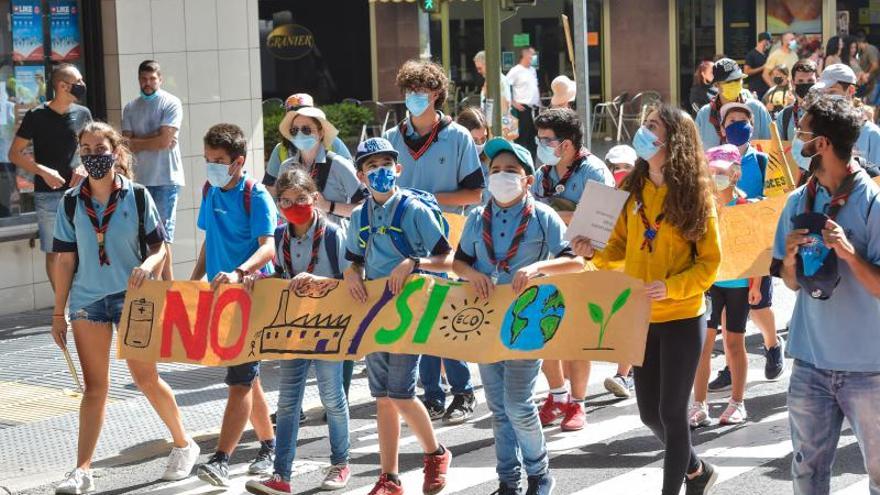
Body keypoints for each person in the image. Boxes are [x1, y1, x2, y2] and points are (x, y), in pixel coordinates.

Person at [572, 104, 721, 494]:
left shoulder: (696, 196)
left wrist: (672, 287)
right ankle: (697, 469)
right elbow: (617, 248)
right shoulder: (631, 188)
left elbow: (709, 264)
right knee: (648, 413)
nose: (643, 131)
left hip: (683, 316)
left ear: (673, 139)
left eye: (652, 126)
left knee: (672, 412)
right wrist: (591, 252)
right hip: (641, 315)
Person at [51, 122, 199, 494]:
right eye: (85, 149)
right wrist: (57, 314)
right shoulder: (70, 201)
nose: (92, 155)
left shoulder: (137, 196)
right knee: (95, 388)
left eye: (99, 148)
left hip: (133, 299)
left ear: (116, 152)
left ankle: (184, 443)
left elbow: (159, 247)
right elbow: (64, 260)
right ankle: (81, 469)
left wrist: (148, 267)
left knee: (145, 378)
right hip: (87, 302)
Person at [454, 137, 583, 494]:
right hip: (486, 320)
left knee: (518, 403)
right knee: (498, 408)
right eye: (495, 170)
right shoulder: (477, 217)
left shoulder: (543, 216)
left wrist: (540, 268)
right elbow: (458, 261)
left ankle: (540, 474)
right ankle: (508, 480)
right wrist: (472, 274)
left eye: (511, 171)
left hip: (529, 319)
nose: (501, 176)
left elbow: (575, 260)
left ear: (527, 180)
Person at [770, 94, 880, 495]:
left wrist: (849, 254)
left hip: (870, 368)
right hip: (810, 363)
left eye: (803, 131)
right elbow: (791, 283)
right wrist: (789, 262)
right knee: (808, 473)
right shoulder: (799, 201)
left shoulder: (873, 202)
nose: (796, 139)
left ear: (823, 144)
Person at [344, 137, 453, 495]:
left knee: (402, 393)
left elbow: (449, 259)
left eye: (386, 165)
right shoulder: (359, 215)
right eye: (372, 167)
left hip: (411, 311)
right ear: (361, 176)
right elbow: (353, 259)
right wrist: (350, 275)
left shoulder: (414, 210)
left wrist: (415, 263)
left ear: (398, 169)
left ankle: (435, 454)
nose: (380, 172)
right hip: (376, 313)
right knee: (383, 398)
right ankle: (388, 477)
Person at [385, 59, 482, 423]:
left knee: (443, 311)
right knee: (417, 313)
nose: (414, 98)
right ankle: (432, 394)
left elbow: (475, 193)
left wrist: (427, 199)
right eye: (409, 92)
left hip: (446, 236)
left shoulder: (457, 136)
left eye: (421, 92)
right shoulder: (394, 139)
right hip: (405, 239)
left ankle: (463, 391)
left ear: (437, 94)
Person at [244, 169, 351, 495]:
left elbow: (351, 283)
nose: (293, 206)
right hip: (294, 330)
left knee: (332, 398)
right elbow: (281, 275)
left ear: (315, 199)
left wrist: (321, 283)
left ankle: (341, 463)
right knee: (288, 403)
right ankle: (282, 474)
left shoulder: (333, 235)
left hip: (330, 329)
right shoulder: (280, 236)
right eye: (285, 201)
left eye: (300, 199)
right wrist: (263, 282)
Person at [193, 123, 278, 487]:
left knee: (239, 380)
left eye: (219, 161)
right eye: (208, 159)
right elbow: (209, 239)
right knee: (248, 376)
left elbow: (269, 247)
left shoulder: (255, 195)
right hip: (220, 299)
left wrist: (239, 272)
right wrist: (194, 278)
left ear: (238, 161)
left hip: (251, 297)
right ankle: (270, 445)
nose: (211, 166)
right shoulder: (210, 191)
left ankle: (221, 458)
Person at [528, 108, 612, 431]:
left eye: (546, 140)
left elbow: (600, 227)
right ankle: (557, 395)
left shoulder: (595, 172)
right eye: (539, 139)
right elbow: (533, 215)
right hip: (548, 263)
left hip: (582, 266)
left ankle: (578, 403)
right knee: (545, 333)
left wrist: (558, 218)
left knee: (577, 338)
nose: (541, 145)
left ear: (566, 144)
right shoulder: (543, 174)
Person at [711, 102, 786, 392]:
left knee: (758, 306)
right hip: (725, 243)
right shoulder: (715, 161)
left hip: (755, 243)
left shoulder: (764, 161)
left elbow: (776, 200)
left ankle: (771, 343)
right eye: (732, 121)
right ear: (722, 127)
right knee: (729, 312)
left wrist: (754, 206)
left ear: (752, 127)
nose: (737, 125)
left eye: (743, 120)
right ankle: (731, 366)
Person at [690, 144, 759, 428]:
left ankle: (737, 402)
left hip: (739, 283)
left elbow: (758, 250)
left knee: (733, 342)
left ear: (735, 173)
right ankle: (699, 405)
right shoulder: (701, 208)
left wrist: (756, 285)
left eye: (721, 171)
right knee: (703, 344)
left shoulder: (746, 207)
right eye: (711, 171)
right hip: (709, 282)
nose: (715, 176)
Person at [8, 63, 92, 291]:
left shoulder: (83, 114)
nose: (83, 86)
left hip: (80, 193)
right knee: (55, 252)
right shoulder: (37, 116)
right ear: (63, 86)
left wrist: (84, 166)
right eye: (78, 82)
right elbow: (14, 153)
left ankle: (82, 302)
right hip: (48, 196)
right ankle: (61, 306)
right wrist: (43, 171)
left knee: (83, 249)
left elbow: (93, 148)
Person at [122, 60, 184, 281]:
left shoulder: (170, 103)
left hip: (165, 179)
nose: (147, 83)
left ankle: (162, 288)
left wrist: (144, 140)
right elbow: (124, 144)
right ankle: (166, 288)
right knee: (147, 237)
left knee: (162, 236)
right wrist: (155, 137)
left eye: (152, 79)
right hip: (139, 181)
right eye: (143, 79)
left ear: (160, 79)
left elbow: (164, 141)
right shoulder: (130, 107)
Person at [265, 104, 366, 223]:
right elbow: (279, 205)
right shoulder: (286, 167)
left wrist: (327, 206)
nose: (300, 134)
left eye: (306, 130)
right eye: (294, 130)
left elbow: (365, 208)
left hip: (333, 239)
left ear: (321, 133)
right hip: (297, 239)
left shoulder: (339, 165)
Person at [264, 93, 352, 191]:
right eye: (295, 129)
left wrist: (329, 205)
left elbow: (352, 180)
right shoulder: (281, 150)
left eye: (306, 129)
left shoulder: (334, 144)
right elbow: (271, 187)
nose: (300, 118)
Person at [695, 58, 772, 149]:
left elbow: (771, 147)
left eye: (737, 80)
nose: (734, 84)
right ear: (716, 85)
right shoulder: (704, 115)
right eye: (728, 82)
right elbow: (696, 153)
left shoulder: (757, 109)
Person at [812, 63, 880, 166]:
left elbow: (877, 180)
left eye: (831, 92)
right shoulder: (817, 130)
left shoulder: (872, 134)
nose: (826, 97)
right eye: (822, 92)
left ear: (851, 91)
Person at [473, 50, 517, 141]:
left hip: (498, 128)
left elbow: (504, 105)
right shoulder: (492, 79)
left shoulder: (498, 80)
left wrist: (491, 127)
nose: (478, 71)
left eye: (479, 68)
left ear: (487, 64)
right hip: (494, 127)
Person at [507, 47, 542, 156]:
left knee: (534, 138)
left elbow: (534, 87)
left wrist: (539, 102)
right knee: (522, 138)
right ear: (524, 55)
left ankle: (532, 163)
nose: (533, 57)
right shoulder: (515, 70)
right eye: (531, 55)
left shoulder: (532, 70)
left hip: (534, 108)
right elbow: (505, 85)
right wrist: (513, 102)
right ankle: (520, 162)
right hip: (522, 108)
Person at [455, 106, 491, 207]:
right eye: (474, 140)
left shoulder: (489, 165)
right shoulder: (448, 162)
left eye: (483, 139)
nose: (480, 144)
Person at [776, 59, 818, 142]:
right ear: (792, 83)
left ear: (818, 82)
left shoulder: (827, 114)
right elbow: (778, 150)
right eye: (800, 81)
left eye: (810, 81)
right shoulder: (784, 116)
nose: (805, 85)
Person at [745, 32, 773, 99]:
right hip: (755, 89)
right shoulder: (751, 54)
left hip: (767, 88)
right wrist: (763, 67)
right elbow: (746, 71)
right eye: (769, 42)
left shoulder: (767, 54)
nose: (769, 44)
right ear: (764, 41)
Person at [856, 32, 880, 104]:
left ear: (859, 42)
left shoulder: (870, 49)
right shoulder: (861, 52)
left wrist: (867, 74)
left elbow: (875, 65)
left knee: (871, 103)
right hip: (868, 82)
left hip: (875, 81)